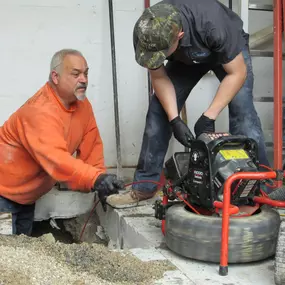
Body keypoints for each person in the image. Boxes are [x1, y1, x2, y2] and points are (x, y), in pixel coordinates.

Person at [107, 0, 274, 207]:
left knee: (243, 113)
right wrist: (175, 119)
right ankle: (144, 187)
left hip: (228, 55)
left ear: (179, 36)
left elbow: (237, 73)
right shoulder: (146, 33)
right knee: (158, 112)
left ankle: (263, 187)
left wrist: (209, 116)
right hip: (186, 58)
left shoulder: (213, 25)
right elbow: (158, 77)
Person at [0, 49, 124, 235]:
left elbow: (92, 146)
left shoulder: (82, 105)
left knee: (20, 253)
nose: (83, 79)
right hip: (3, 195)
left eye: (86, 73)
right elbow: (56, 159)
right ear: (55, 77)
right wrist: (95, 179)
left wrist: (99, 178)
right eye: (75, 74)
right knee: (8, 257)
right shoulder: (40, 110)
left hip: (26, 199)